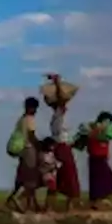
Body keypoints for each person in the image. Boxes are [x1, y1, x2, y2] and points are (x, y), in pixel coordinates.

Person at [47, 75, 81, 211]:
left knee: (61, 177)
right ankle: (65, 206)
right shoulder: (59, 113)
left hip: (61, 146)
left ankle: (59, 206)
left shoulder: (58, 115)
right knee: (67, 176)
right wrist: (57, 83)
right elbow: (61, 98)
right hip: (61, 148)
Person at [6, 97, 42, 213]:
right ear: (32, 108)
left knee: (23, 176)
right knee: (31, 177)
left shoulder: (22, 119)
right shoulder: (30, 119)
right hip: (29, 149)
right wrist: (41, 146)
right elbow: (31, 137)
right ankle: (25, 203)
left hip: (22, 150)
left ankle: (30, 204)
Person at [83, 112, 112, 208]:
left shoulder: (105, 132)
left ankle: (102, 199)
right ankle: (96, 201)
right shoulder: (93, 129)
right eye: (107, 122)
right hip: (96, 157)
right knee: (98, 181)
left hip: (102, 157)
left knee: (110, 179)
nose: (108, 124)